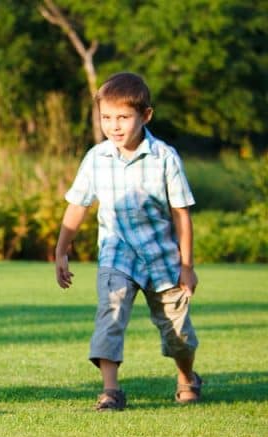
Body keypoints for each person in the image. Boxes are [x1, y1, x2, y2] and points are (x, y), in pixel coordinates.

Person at [55, 72, 201, 411]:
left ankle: (187, 377)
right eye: (106, 117)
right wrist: (62, 250)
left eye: (123, 117)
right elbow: (77, 206)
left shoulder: (165, 157)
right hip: (117, 254)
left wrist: (187, 265)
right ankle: (111, 390)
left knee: (178, 333)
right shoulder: (96, 158)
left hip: (162, 258)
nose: (114, 126)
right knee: (110, 314)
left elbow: (181, 214)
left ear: (145, 115)